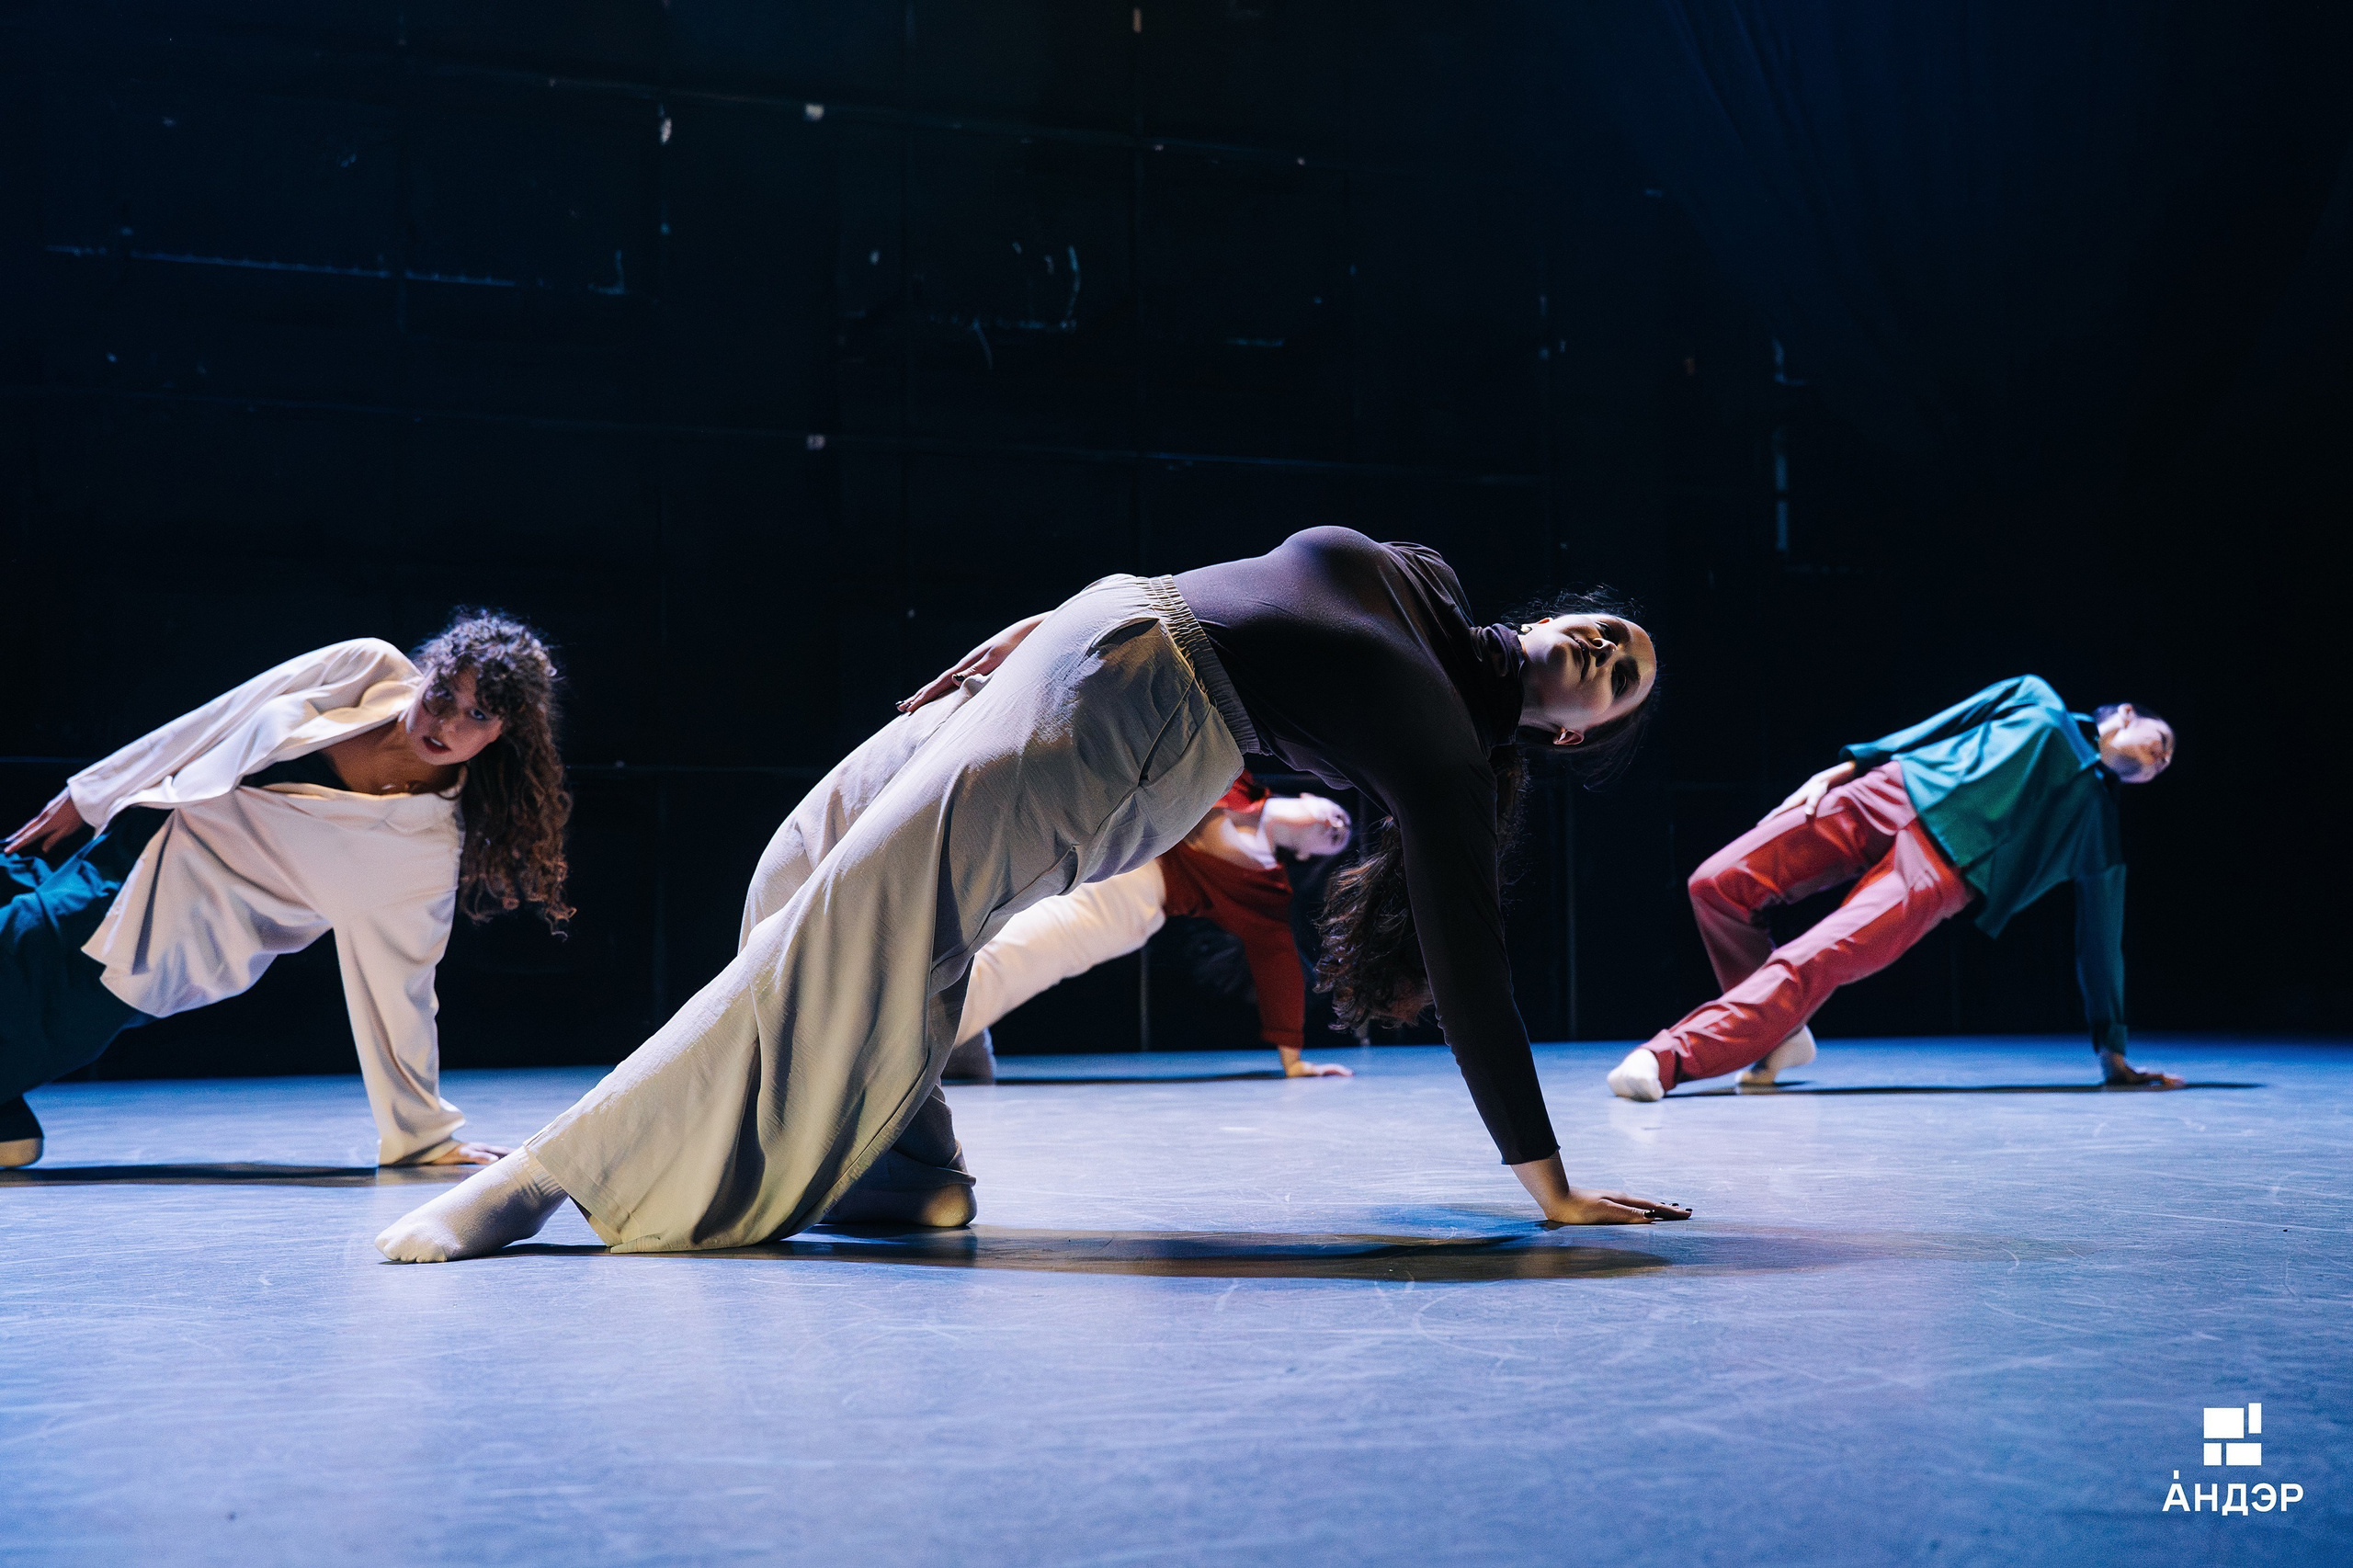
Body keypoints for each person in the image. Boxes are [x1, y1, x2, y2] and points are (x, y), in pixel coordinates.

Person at [377, 528, 1682, 1263]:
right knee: (797, 862)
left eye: (1619, 677)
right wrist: (1046, 622)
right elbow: (1237, 580)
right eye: (1610, 631)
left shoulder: (1447, 757)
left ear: (1575, 731)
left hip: (1147, 726)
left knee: (870, 907)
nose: (1604, 649)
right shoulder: (1425, 578)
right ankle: (906, 1167)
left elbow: (1471, 972)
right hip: (1096, 633)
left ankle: (557, 1172)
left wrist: (1551, 1185)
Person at [0, 614, 571, 1169]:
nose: (445, 722)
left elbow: (400, 993)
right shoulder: (366, 668)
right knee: (17, 936)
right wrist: (93, 791)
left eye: (477, 714)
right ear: (429, 673)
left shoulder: (421, 846)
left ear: (501, 732)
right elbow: (224, 715)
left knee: (24, 975)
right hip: (141, 838)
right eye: (442, 693)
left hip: (164, 933)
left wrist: (423, 1136)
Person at [1607, 675, 2180, 1100]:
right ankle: (1779, 1035)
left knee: (1816, 956)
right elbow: (1942, 723)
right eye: (2162, 742)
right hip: (1889, 790)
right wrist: (1845, 768)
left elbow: (2101, 941)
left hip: (1940, 870)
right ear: (2127, 715)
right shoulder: (2037, 698)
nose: (2161, 759)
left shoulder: (2097, 824)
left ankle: (1670, 1057)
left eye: (2165, 765)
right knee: (1717, 884)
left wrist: (2113, 1052)